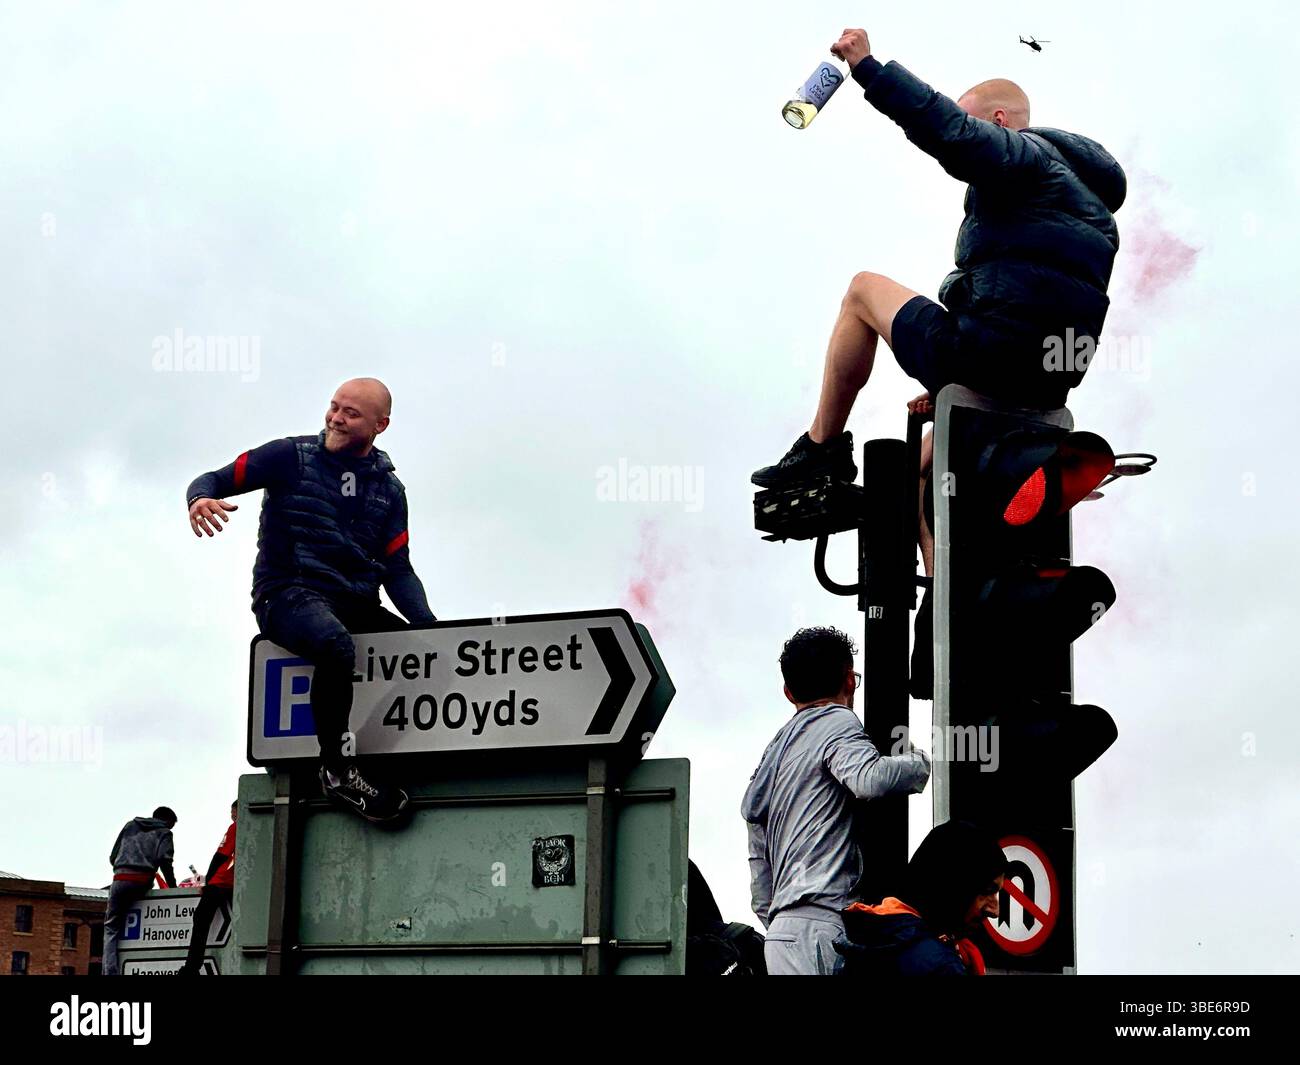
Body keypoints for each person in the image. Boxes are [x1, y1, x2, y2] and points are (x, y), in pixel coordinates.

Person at [752, 26, 1126, 489]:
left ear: (1001, 122)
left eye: (974, 120)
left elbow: (952, 133)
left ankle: (821, 448)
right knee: (925, 475)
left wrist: (868, 69)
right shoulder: (1092, 209)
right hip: (1049, 379)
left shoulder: (1024, 156)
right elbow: (1038, 300)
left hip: (991, 357)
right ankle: (939, 564)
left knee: (862, 291)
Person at [186, 378, 435, 823]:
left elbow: (398, 571)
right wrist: (200, 498)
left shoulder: (389, 491)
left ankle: (389, 754)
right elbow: (215, 478)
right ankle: (337, 771)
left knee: (423, 656)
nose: (336, 418)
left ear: (381, 425)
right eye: (334, 407)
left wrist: (434, 632)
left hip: (353, 599)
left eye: (351, 413)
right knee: (336, 645)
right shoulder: (288, 456)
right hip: (286, 593)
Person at [741, 627, 931, 975]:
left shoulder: (774, 749)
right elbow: (868, 779)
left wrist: (777, 917)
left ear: (788, 692)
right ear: (849, 679)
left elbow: (756, 838)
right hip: (822, 922)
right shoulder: (837, 721)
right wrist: (917, 763)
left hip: (781, 933)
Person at [836, 819, 1008, 975]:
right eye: (986, 891)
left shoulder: (868, 934)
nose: (995, 910)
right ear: (953, 889)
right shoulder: (940, 965)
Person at [104, 806, 177, 975]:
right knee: (143, 917)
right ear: (167, 820)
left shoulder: (130, 826)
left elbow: (112, 857)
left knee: (111, 927)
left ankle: (110, 972)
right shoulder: (164, 832)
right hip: (142, 881)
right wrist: (173, 890)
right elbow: (165, 862)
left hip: (120, 880)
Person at [178, 800, 237, 976]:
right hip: (235, 884)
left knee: (200, 920)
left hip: (219, 882)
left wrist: (208, 881)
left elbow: (220, 855)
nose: (231, 815)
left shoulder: (235, 827)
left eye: (233, 811)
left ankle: (191, 968)